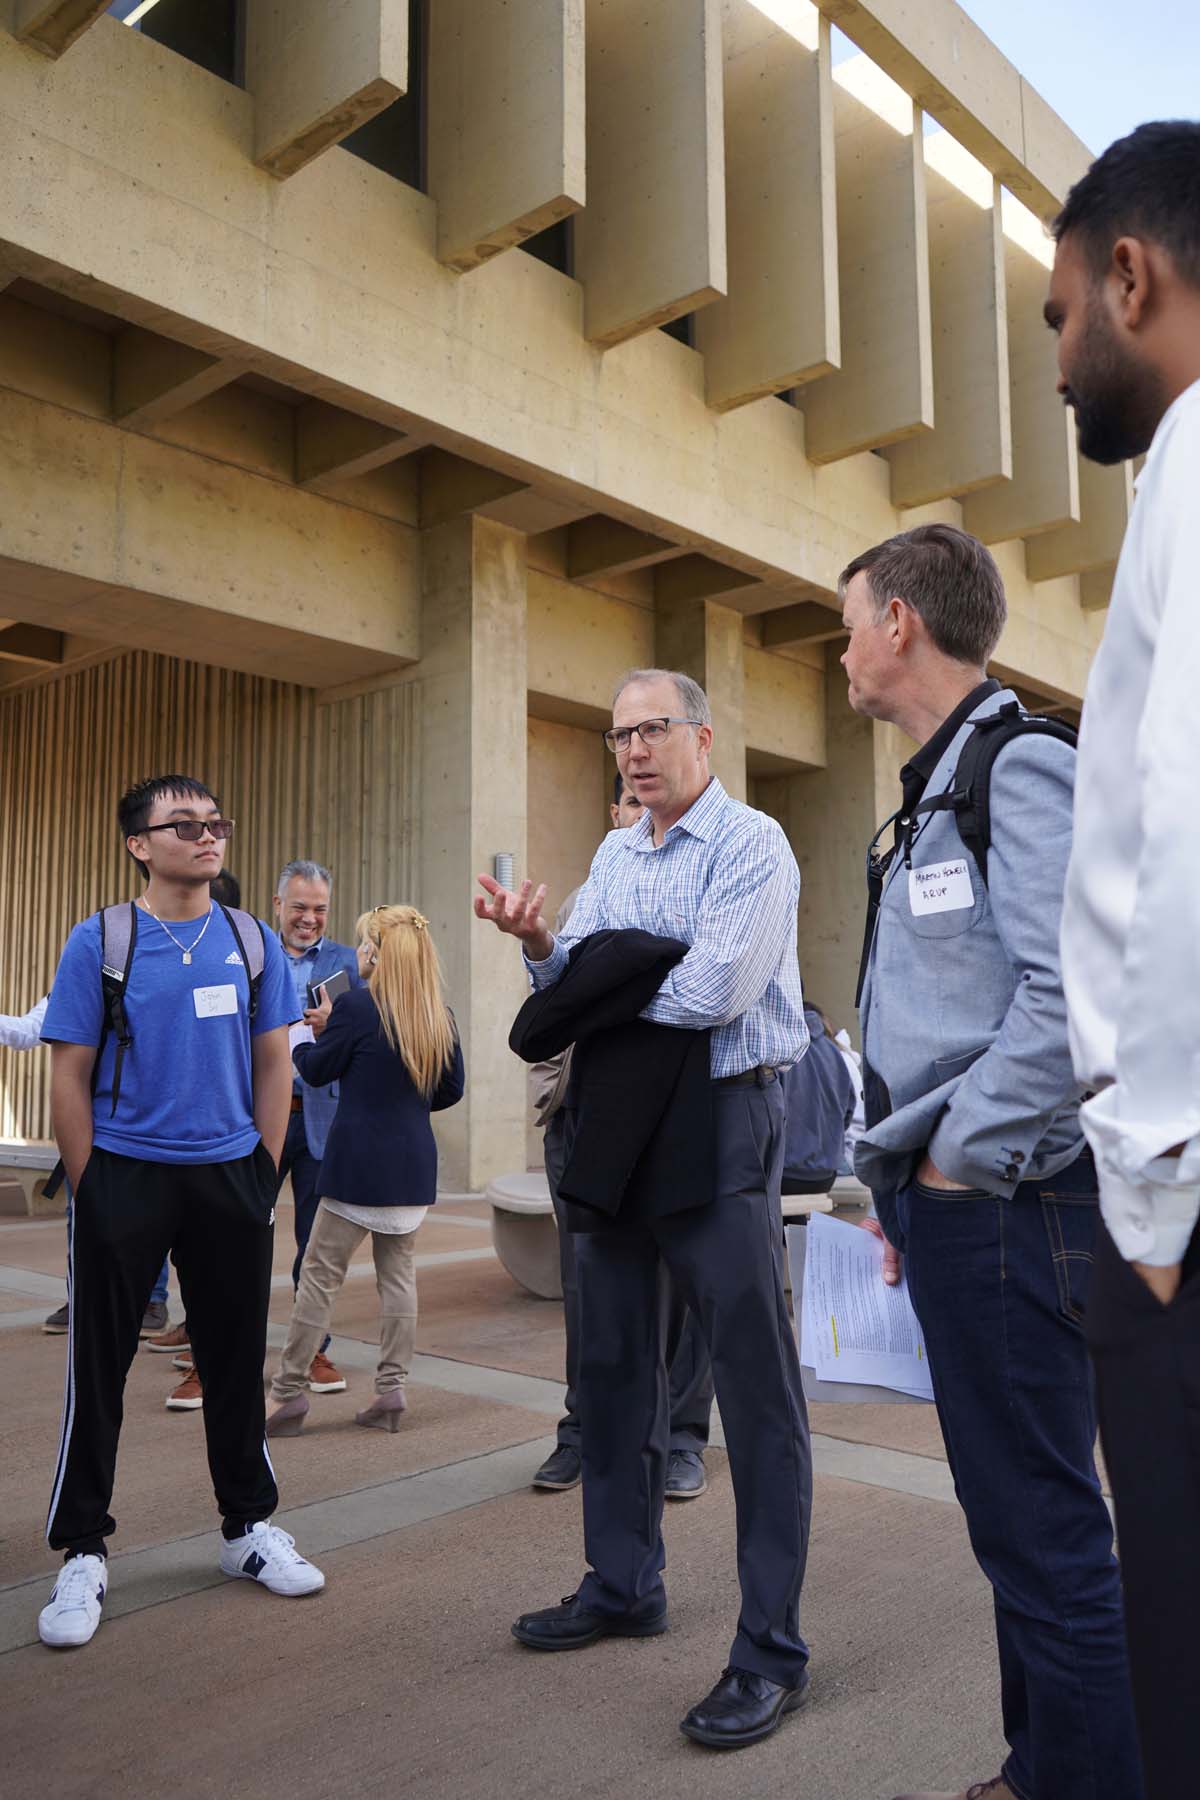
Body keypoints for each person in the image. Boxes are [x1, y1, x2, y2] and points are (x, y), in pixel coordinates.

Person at [841, 524, 1141, 1800]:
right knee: (1014, 1522)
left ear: (901, 621)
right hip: (968, 1203)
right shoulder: (935, 786)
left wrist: (961, 1156)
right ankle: (1043, 1769)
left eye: (849, 617)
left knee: (1046, 1527)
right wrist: (910, 1182)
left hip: (1014, 1200)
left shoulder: (1016, 769)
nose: (841, 644)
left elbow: (1075, 992)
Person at [476, 668, 813, 1752]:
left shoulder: (754, 843)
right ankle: (622, 1584)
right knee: (611, 1369)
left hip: (720, 1123)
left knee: (754, 1389)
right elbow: (566, 991)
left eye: (652, 729)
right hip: (614, 1123)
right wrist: (544, 952)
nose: (632, 750)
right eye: (619, 736)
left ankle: (770, 1650)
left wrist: (595, 988)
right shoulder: (619, 853)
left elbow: (716, 992)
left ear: (703, 736)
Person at [1048, 121, 1200, 1800]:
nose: (1063, 352)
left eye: (1058, 312)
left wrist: (1152, 1194)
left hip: (1184, 1209)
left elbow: (1187, 831)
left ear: (1132, 278)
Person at [36, 775, 323, 1649]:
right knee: (102, 1368)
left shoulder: (251, 939)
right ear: (139, 843)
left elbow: (275, 1063)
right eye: (185, 825)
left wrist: (262, 1168)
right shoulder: (102, 941)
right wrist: (94, 1188)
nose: (207, 838)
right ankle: (83, 1548)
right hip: (127, 1177)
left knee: (236, 1362)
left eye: (216, 824)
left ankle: (246, 1530)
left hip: (230, 1176)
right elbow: (68, 1074)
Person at [528, 770, 715, 1499]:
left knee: (683, 1287)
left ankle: (681, 1437)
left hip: (668, 1111)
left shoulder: (710, 879)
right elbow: (552, 999)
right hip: (584, 1118)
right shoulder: (591, 892)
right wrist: (554, 1094)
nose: (646, 813)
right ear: (615, 811)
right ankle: (585, 1430)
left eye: (657, 802)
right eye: (633, 803)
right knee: (589, 1289)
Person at [165, 859, 360, 1410]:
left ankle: (312, 1353)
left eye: (320, 908)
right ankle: (208, 1363)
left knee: (315, 1254)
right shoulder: (245, 955)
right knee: (228, 1243)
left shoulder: (350, 964)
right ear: (277, 906)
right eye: (299, 907)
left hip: (325, 1121)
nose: (309, 918)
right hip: (252, 1121)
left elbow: (374, 1037)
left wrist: (339, 1027)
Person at [265, 905, 463, 1436]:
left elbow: (313, 1070)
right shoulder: (435, 1013)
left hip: (357, 1168)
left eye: (363, 945)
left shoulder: (355, 1006)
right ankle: (391, 1390)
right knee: (397, 1278)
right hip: (412, 1169)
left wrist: (309, 1035)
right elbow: (450, 1090)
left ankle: (286, 1395)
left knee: (318, 1277)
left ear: (375, 953)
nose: (358, 953)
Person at [145, 872, 246, 1370]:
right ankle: (168, 1316)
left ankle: (206, 1367)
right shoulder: (116, 943)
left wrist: (260, 1168)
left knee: (226, 1277)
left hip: (232, 1150)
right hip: (145, 1152)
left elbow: (272, 1061)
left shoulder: (249, 949)